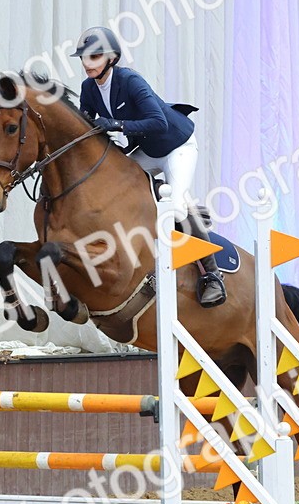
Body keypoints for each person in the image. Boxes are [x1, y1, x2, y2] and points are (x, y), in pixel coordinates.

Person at [71, 26, 226, 308]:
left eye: (94, 57)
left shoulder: (130, 81)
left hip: (176, 146)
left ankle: (212, 276)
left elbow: (158, 122)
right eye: (83, 58)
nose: (87, 63)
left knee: (176, 206)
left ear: (112, 58)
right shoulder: (88, 89)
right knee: (114, 185)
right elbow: (85, 127)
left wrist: (116, 125)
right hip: (146, 150)